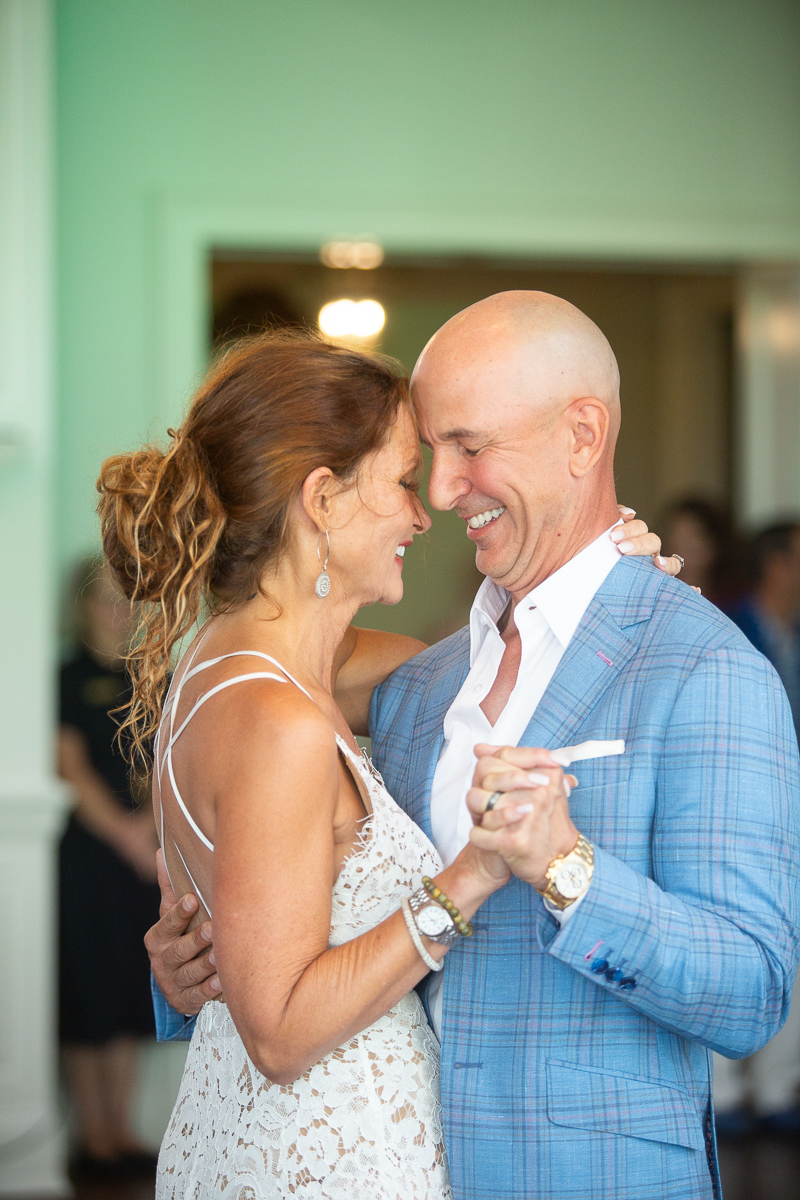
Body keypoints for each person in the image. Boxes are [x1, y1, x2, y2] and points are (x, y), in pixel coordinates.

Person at [149, 294, 800, 1200]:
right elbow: (265, 792)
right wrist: (197, 967)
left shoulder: (704, 670)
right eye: (424, 461)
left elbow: (751, 993)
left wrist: (567, 866)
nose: (444, 494)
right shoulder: (416, 686)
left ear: (583, 436)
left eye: (469, 447)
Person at [58, 558, 160, 1178]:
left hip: (144, 856)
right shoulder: (68, 676)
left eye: (127, 601)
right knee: (85, 995)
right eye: (106, 601)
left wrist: (147, 826)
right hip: (90, 857)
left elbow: (170, 750)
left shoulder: (150, 675)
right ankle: (91, 1136)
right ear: (82, 607)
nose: (118, 612)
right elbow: (68, 765)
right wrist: (125, 834)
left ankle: (120, 1132)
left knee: (127, 992)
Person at [712, 520, 800, 1137]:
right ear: (776, 565)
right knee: (726, 935)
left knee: (787, 944)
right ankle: (722, 1095)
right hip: (733, 813)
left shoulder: (792, 634)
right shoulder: (728, 629)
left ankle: (774, 1089)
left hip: (789, 814)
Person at [662, 496, 744, 609]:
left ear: (714, 545)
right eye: (674, 536)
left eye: (690, 538)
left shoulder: (736, 606)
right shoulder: (660, 598)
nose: (677, 546)